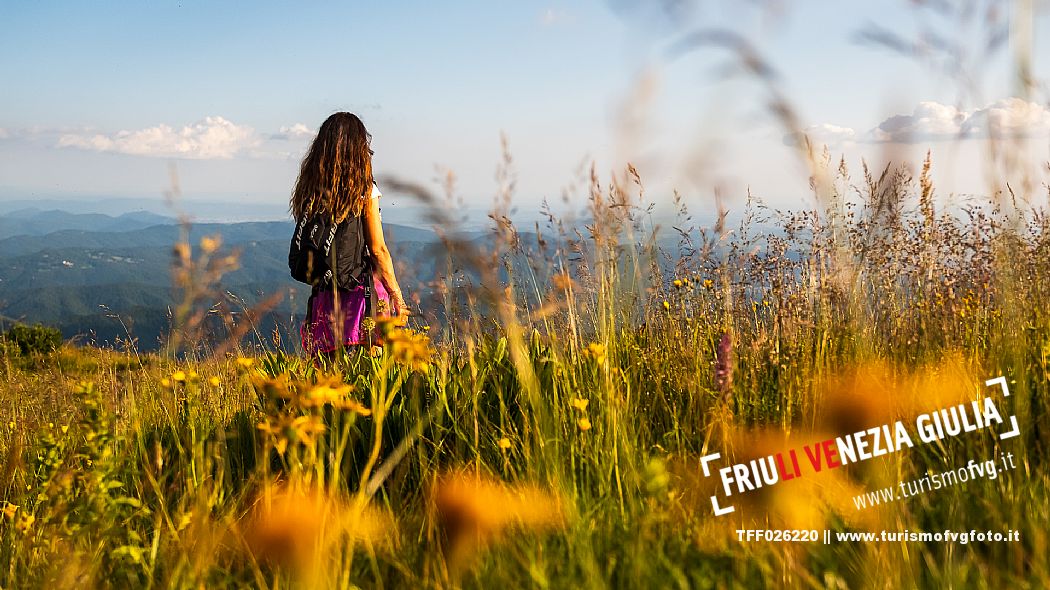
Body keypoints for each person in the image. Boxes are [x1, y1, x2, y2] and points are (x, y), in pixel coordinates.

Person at [290, 112, 409, 355]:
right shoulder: (364, 189)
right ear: (358, 148)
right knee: (368, 379)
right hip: (360, 297)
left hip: (324, 299)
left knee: (329, 376)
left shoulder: (309, 191)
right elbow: (378, 249)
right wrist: (397, 296)